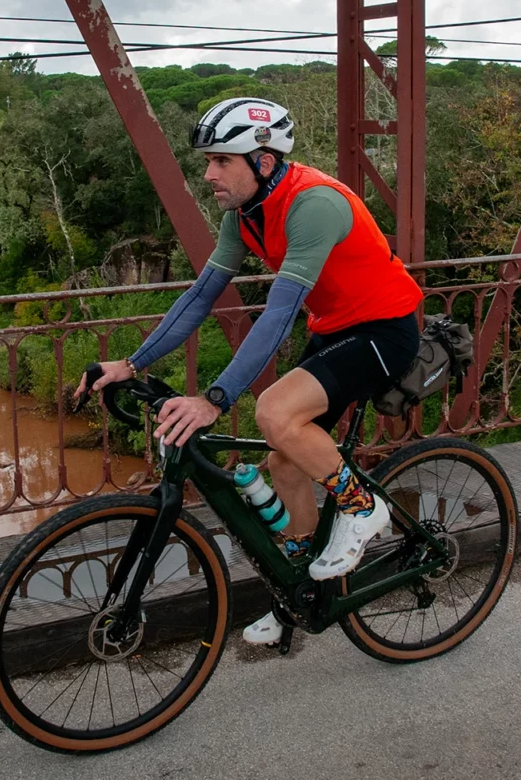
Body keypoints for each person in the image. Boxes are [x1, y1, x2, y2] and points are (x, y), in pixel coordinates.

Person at [73, 97, 424, 645]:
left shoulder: (314, 204)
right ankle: (301, 593)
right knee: (287, 467)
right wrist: (131, 362)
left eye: (221, 161)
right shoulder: (244, 213)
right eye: (208, 161)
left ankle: (362, 505)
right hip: (335, 327)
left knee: (272, 412)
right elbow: (203, 294)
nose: (208, 173)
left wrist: (214, 398)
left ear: (263, 160)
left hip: (385, 328)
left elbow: (280, 311)